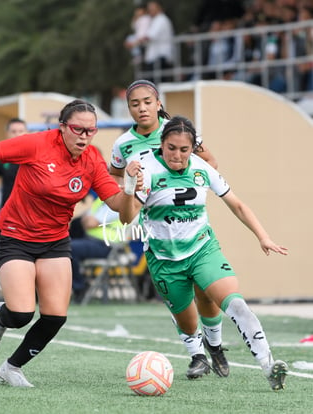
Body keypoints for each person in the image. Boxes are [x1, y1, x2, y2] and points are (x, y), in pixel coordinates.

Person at [0, 99, 137, 388]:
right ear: (62, 128)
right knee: (20, 313)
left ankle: (11, 367)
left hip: (55, 241)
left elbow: (124, 213)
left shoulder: (92, 159)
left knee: (56, 316)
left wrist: (131, 187)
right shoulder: (37, 144)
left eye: (91, 131)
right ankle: (1, 315)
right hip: (15, 234)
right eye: (78, 130)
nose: (84, 136)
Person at [119, 115, 288, 391]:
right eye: (171, 147)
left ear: (192, 149)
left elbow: (238, 205)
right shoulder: (146, 170)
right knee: (188, 323)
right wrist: (128, 188)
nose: (177, 155)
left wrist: (263, 237)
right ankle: (200, 352)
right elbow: (127, 219)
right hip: (164, 260)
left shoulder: (202, 168)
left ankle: (268, 367)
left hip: (202, 249)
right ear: (162, 144)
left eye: (184, 150)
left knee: (235, 304)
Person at [110, 79, 228, 379]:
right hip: (156, 229)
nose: (142, 108)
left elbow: (210, 162)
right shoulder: (123, 144)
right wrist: (129, 192)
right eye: (135, 104)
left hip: (191, 223)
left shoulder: (177, 131)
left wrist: (186, 189)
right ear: (129, 109)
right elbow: (110, 175)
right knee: (179, 298)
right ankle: (197, 355)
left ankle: (215, 346)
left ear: (158, 103)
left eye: (147, 102)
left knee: (205, 292)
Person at [71, 196, 122, 304]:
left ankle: (80, 287)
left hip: (107, 245)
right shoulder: (101, 199)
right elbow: (84, 221)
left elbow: (90, 223)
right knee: (63, 244)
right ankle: (79, 284)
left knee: (70, 248)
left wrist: (90, 221)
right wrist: (89, 221)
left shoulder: (118, 199)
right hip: (92, 240)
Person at [0, 118, 28, 221]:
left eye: (21, 131)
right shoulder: (3, 157)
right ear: (7, 134)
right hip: (8, 214)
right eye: (13, 131)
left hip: (31, 213)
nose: (17, 134)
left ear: (27, 133)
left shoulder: (35, 155)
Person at [140, 1, 175, 83]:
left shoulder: (161, 19)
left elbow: (149, 37)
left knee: (154, 84)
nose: (150, 11)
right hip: (156, 58)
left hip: (159, 57)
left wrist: (135, 42)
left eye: (152, 8)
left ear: (158, 8)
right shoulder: (156, 20)